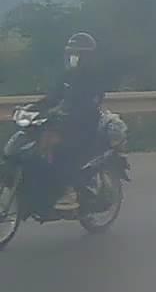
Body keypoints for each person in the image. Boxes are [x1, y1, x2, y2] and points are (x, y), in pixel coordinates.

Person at [31, 32, 110, 211]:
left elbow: (90, 104)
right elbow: (53, 97)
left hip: (85, 126)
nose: (73, 57)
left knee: (62, 149)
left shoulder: (94, 77)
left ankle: (70, 192)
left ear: (88, 56)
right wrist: (32, 108)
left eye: (77, 53)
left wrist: (67, 113)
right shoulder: (68, 76)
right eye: (71, 52)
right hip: (65, 123)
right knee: (36, 145)